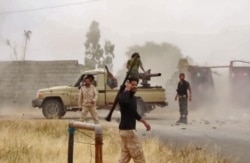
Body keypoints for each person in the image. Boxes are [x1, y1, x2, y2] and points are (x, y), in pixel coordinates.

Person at [118, 77, 151, 163]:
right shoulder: (123, 95)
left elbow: (134, 113)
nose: (135, 86)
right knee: (139, 157)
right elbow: (123, 101)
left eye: (136, 85)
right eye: (132, 84)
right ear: (128, 85)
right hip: (128, 131)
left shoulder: (133, 98)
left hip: (128, 131)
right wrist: (127, 89)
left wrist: (144, 122)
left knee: (124, 157)